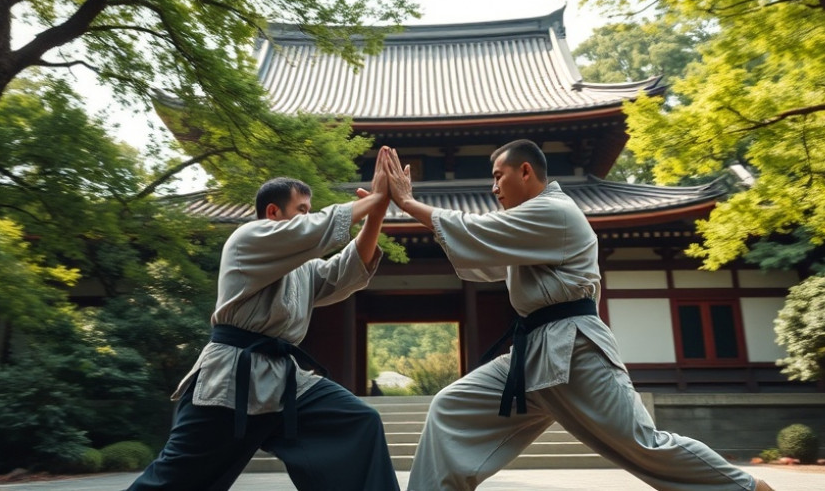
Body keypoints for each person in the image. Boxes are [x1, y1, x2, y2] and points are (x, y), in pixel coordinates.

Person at [382, 140, 775, 491]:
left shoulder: (554, 211)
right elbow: (481, 262)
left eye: (499, 176)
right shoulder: (527, 227)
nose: (493, 187)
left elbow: (476, 232)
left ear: (526, 172)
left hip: (574, 350)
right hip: (531, 355)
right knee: (452, 407)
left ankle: (745, 488)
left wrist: (408, 203)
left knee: (642, 443)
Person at [129, 147, 399, 491]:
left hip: (286, 381)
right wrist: (376, 195)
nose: (308, 217)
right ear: (273, 212)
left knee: (359, 422)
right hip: (230, 378)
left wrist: (376, 211)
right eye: (301, 210)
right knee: (175, 479)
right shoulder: (247, 239)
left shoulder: (301, 267)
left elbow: (343, 273)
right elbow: (316, 231)